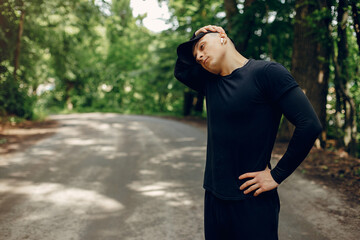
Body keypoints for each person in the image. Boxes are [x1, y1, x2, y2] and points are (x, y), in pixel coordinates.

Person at [174, 25, 323, 240]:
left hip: (252, 201)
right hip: (214, 199)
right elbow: (181, 70)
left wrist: (276, 175)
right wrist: (196, 35)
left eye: (203, 47)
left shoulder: (267, 73)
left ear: (223, 37)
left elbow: (309, 124)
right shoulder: (210, 82)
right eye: (197, 55)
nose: (199, 56)